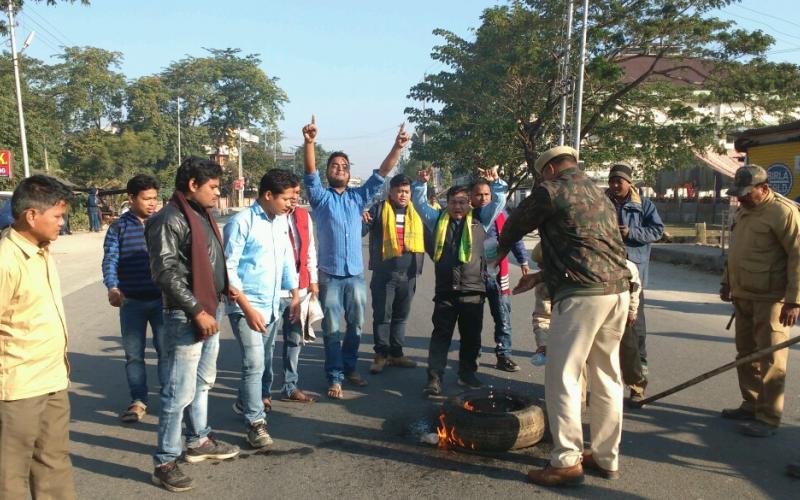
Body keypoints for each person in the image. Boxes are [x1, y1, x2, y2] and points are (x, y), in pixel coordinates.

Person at [498, 146, 630, 487]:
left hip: (582, 296)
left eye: (543, 174)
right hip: (617, 291)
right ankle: (605, 456)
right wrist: (542, 276)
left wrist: (494, 251)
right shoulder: (597, 192)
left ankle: (567, 461)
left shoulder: (551, 190)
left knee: (564, 377)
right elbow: (587, 247)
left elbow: (513, 225)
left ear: (551, 169)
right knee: (607, 376)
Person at [146, 157, 239, 492]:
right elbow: (165, 273)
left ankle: (198, 440)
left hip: (210, 309)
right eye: (212, 187)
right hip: (186, 315)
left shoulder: (201, 214)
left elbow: (212, 262)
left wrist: (223, 289)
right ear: (192, 185)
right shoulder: (168, 219)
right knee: (177, 391)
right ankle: (165, 461)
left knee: (202, 383)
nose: (218, 193)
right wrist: (197, 310)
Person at [301, 115, 410, 399]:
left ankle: (350, 368)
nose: (340, 169)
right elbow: (310, 173)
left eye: (344, 166)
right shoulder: (320, 198)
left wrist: (397, 148)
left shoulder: (358, 198)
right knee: (333, 328)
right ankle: (335, 376)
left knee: (356, 326)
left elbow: (381, 174)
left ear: (350, 173)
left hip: (356, 276)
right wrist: (309, 142)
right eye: (335, 166)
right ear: (329, 172)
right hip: (331, 275)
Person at [0, 175, 75, 499]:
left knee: (54, 462)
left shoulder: (42, 251)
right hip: (18, 388)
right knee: (11, 473)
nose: (62, 222)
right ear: (31, 216)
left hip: (52, 379)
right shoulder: (6, 259)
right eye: (57, 216)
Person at [719, 164, 800, 437]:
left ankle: (768, 416)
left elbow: (798, 258)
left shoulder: (783, 212)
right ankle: (751, 403)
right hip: (744, 295)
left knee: (771, 359)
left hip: (771, 299)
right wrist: (727, 281)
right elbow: (737, 250)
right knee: (746, 355)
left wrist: (794, 300)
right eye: (738, 194)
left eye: (746, 193)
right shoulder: (745, 209)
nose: (740, 198)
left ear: (764, 188)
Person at [411, 167, 508, 396]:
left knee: (471, 337)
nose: (458, 207)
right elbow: (420, 204)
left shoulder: (481, 219)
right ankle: (434, 379)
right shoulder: (437, 220)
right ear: (448, 202)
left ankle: (467, 374)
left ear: (469, 204)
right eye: (454, 202)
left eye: (463, 202)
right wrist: (420, 184)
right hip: (446, 291)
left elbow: (499, 202)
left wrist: (497, 183)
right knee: (440, 337)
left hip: (473, 290)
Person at [224, 168, 301, 449]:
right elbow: (228, 269)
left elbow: (286, 260)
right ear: (269, 195)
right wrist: (247, 308)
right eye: (288, 198)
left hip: (271, 305)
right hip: (245, 306)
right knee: (254, 362)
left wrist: (294, 294)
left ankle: (246, 399)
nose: (292, 203)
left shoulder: (280, 222)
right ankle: (255, 424)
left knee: (265, 360)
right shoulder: (241, 222)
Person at [102, 174, 166, 423]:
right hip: (132, 303)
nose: (152, 203)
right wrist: (113, 287)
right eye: (146, 198)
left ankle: (170, 398)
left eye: (154, 198)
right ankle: (138, 401)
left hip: (163, 301)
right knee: (134, 355)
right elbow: (110, 259)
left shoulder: (162, 223)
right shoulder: (119, 227)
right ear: (131, 198)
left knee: (166, 353)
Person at [606, 162, 664, 401]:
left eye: (619, 180)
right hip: (606, 276)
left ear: (630, 183)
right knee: (605, 332)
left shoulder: (644, 206)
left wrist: (631, 233)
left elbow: (657, 231)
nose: (615, 185)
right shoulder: (600, 203)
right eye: (612, 180)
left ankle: (638, 385)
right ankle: (607, 385)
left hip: (633, 280)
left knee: (635, 332)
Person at [362, 174, 425, 374]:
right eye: (399, 191)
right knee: (382, 316)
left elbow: (431, 239)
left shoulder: (417, 214)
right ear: (391, 192)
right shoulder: (379, 209)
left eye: (406, 191)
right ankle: (381, 354)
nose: (403, 195)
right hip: (384, 275)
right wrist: (360, 217)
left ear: (410, 193)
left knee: (400, 316)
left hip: (409, 274)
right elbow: (361, 229)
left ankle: (396, 354)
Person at [470, 178, 529, 372]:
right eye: (479, 194)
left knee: (503, 317)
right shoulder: (466, 217)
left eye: (487, 194)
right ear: (471, 197)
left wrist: (523, 261)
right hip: (474, 276)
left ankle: (504, 355)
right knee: (473, 318)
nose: (483, 198)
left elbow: (515, 238)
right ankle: (472, 355)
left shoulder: (501, 215)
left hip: (498, 275)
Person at [275, 179, 319, 403]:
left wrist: (313, 280)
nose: (294, 197)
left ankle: (290, 386)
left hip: (299, 290)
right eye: (290, 192)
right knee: (266, 345)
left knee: (294, 340)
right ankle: (261, 393)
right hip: (273, 291)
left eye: (297, 193)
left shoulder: (303, 216)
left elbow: (309, 247)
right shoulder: (271, 216)